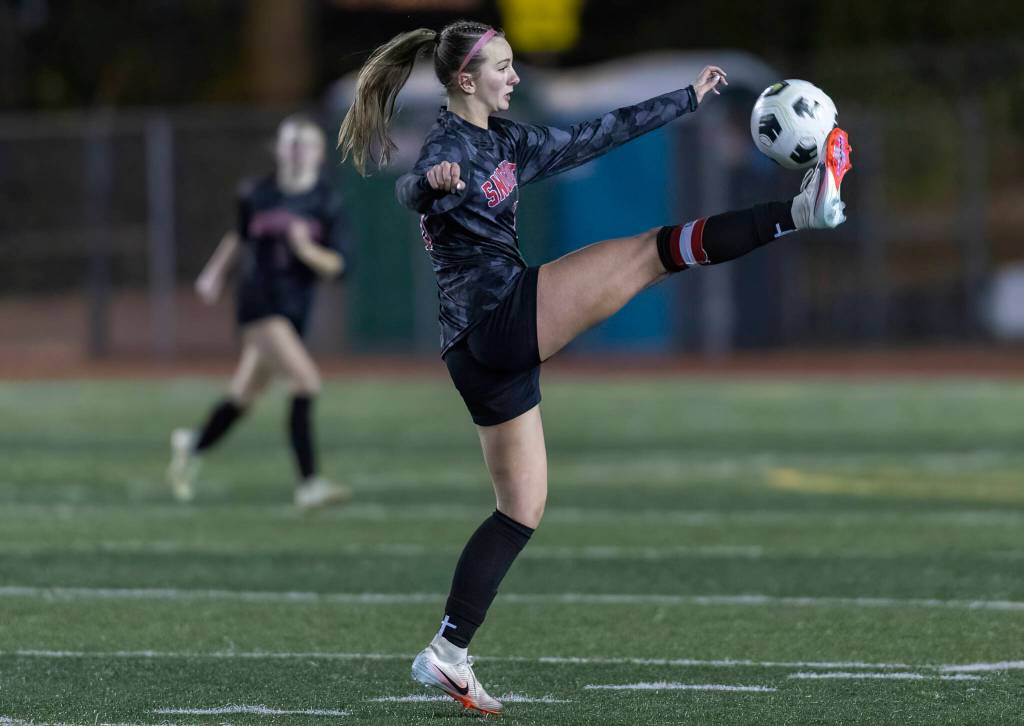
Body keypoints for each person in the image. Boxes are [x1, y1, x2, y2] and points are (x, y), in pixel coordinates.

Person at [338, 21, 851, 716]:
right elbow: (411, 190)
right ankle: (799, 211)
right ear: (465, 80)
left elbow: (600, 132)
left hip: (471, 350)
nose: (515, 77)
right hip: (498, 318)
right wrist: (428, 182)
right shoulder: (450, 144)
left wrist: (687, 99)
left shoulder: (507, 140)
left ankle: (448, 653)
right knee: (653, 252)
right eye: (503, 67)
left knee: (520, 509)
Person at [168, 115, 354, 511]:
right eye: (290, 143)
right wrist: (214, 273)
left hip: (294, 307)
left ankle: (192, 444)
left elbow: (338, 266)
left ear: (319, 154)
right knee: (306, 382)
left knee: (244, 397)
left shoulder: (326, 201)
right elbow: (238, 236)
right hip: (257, 303)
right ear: (278, 149)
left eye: (305, 144)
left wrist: (306, 251)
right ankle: (309, 484)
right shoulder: (256, 193)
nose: (297, 151)